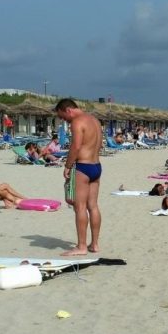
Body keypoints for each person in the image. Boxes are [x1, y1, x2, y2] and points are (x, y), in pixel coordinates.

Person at [55, 98, 103, 256]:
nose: (64, 120)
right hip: (96, 166)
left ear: (68, 110)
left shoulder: (76, 122)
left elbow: (76, 146)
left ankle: (82, 246)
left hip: (83, 166)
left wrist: (67, 166)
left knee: (80, 207)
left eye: (62, 116)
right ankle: (94, 244)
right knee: (93, 206)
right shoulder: (95, 120)